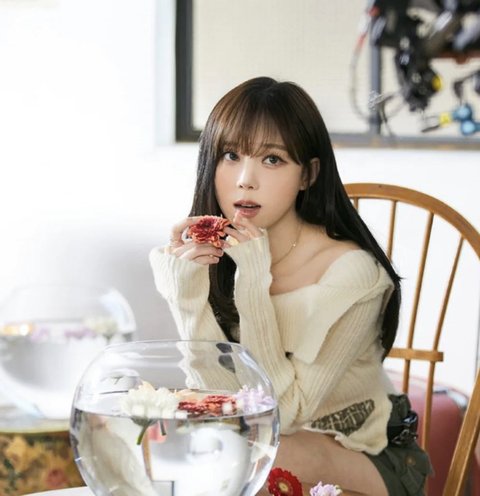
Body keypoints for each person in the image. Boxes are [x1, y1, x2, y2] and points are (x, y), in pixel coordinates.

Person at [149, 77, 432, 495]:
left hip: (369, 458)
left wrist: (254, 285)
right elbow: (223, 400)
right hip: (267, 447)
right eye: (230, 155)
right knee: (184, 442)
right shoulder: (221, 258)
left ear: (308, 175)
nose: (245, 179)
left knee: (250, 454)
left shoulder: (353, 274)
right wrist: (187, 298)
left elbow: (283, 415)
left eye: (272, 159)